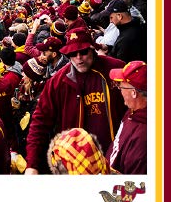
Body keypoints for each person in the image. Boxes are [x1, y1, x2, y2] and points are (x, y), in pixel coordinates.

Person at [24, 28, 126, 174]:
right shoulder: (57, 82)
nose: (79, 58)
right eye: (72, 53)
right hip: (74, 166)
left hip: (115, 162)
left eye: (83, 52)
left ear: (92, 49)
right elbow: (40, 122)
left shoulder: (116, 69)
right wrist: (32, 164)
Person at [107, 60, 148, 174]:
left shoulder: (143, 138)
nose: (119, 90)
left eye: (121, 86)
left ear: (134, 93)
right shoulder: (132, 111)